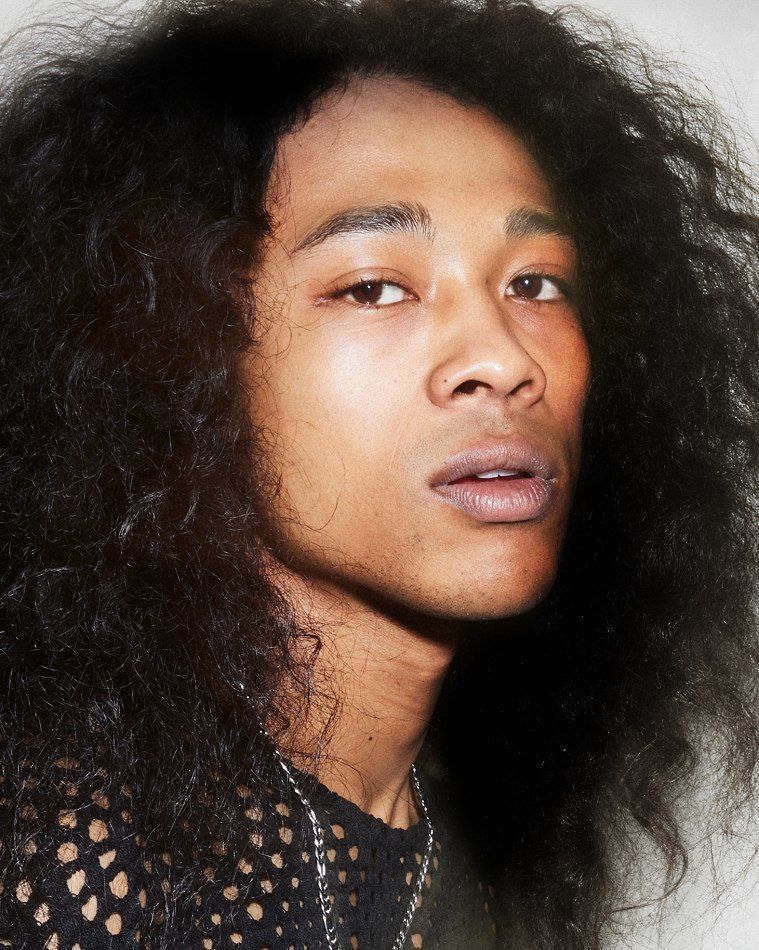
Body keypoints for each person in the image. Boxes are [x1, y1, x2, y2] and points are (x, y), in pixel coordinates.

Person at [0, 0, 757, 947]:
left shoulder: (482, 870)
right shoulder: (66, 867)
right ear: (173, 365)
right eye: (373, 286)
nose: (504, 357)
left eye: (534, 282)